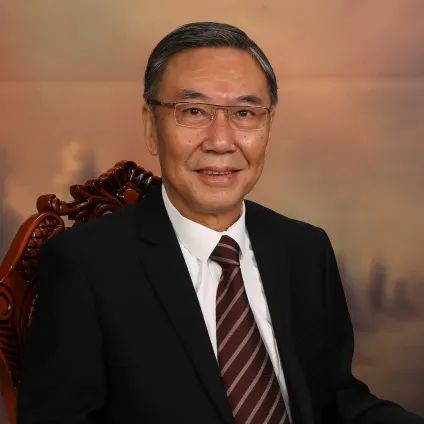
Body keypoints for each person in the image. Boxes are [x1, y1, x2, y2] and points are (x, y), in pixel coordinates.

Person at [18, 22, 423, 424]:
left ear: (268, 126)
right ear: (151, 127)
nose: (221, 141)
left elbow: (337, 401)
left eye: (244, 113)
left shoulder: (304, 249)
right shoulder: (86, 266)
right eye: (194, 111)